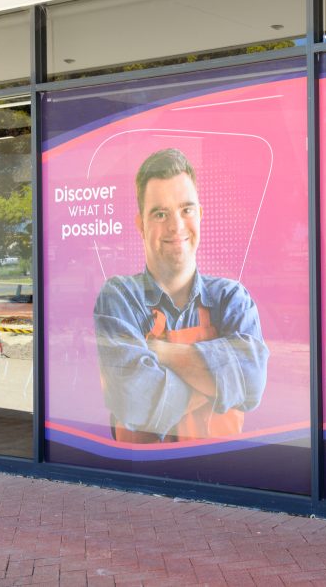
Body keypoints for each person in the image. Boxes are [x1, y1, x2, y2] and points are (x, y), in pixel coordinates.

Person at [94, 148, 269, 443]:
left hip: (220, 474)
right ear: (141, 225)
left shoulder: (232, 299)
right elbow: (133, 400)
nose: (175, 226)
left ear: (199, 215)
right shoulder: (119, 298)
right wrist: (219, 383)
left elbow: (251, 384)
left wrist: (159, 352)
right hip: (139, 481)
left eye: (186, 210)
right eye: (160, 213)